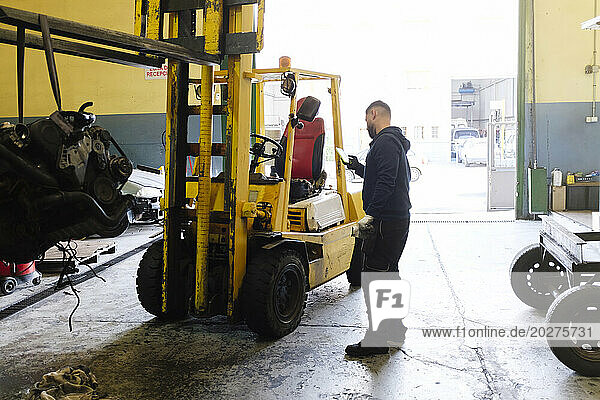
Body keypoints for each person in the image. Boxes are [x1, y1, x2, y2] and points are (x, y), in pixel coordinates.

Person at [345, 100, 411, 357]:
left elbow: (386, 179)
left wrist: (371, 214)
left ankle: (377, 340)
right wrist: (357, 167)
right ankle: (394, 331)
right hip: (396, 219)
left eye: (366, 120)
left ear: (374, 114)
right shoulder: (393, 142)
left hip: (386, 221)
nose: (367, 126)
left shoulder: (384, 142)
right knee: (388, 275)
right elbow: (380, 175)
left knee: (375, 278)